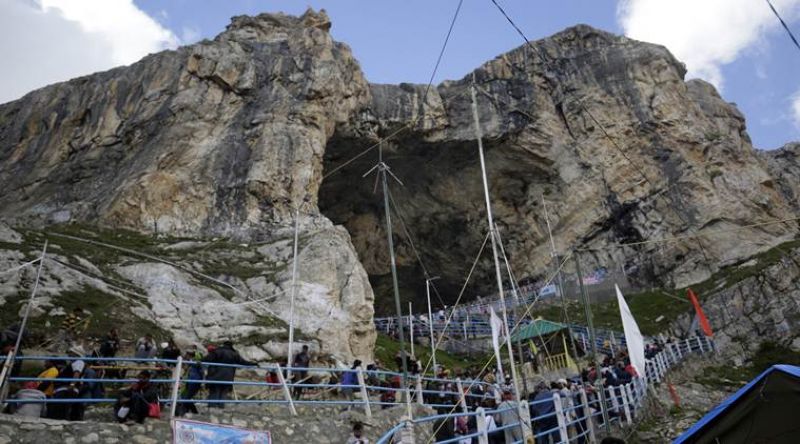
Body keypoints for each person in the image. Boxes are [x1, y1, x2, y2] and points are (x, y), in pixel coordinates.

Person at [203, 340, 256, 408]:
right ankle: (220, 409)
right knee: (223, 393)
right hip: (228, 377)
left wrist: (198, 361)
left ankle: (212, 408)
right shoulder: (234, 353)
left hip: (215, 375)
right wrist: (253, 364)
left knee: (214, 391)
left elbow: (207, 359)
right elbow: (243, 362)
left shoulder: (217, 351)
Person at [178, 350, 204, 415]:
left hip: (194, 382)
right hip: (189, 382)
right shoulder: (190, 363)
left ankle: (184, 411)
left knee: (186, 397)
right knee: (185, 396)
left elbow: (200, 369)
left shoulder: (196, 362)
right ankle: (193, 411)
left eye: (187, 355)